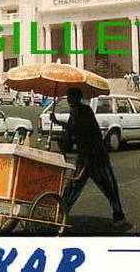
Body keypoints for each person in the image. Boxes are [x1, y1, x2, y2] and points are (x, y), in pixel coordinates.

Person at [51, 88, 128, 228]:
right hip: (84, 156)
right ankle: (61, 213)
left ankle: (119, 215)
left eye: (70, 97)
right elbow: (72, 133)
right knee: (73, 186)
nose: (68, 99)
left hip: (96, 156)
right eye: (68, 96)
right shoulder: (75, 112)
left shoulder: (84, 111)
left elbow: (77, 129)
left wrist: (58, 123)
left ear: (76, 98)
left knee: (109, 187)